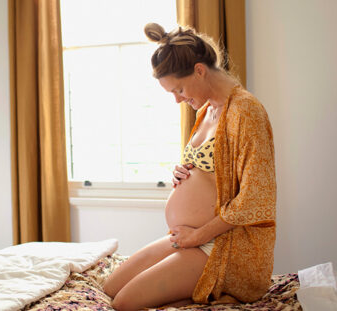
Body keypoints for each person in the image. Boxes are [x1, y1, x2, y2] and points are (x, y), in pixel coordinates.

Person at [103, 23, 276, 311]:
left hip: (222, 245)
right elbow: (212, 169)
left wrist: (198, 235)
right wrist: (184, 170)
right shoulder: (207, 109)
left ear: (199, 70)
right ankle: (193, 296)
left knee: (124, 304)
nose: (177, 99)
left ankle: (206, 294)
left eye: (179, 89)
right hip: (194, 237)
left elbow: (258, 197)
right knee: (110, 287)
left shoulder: (246, 111)